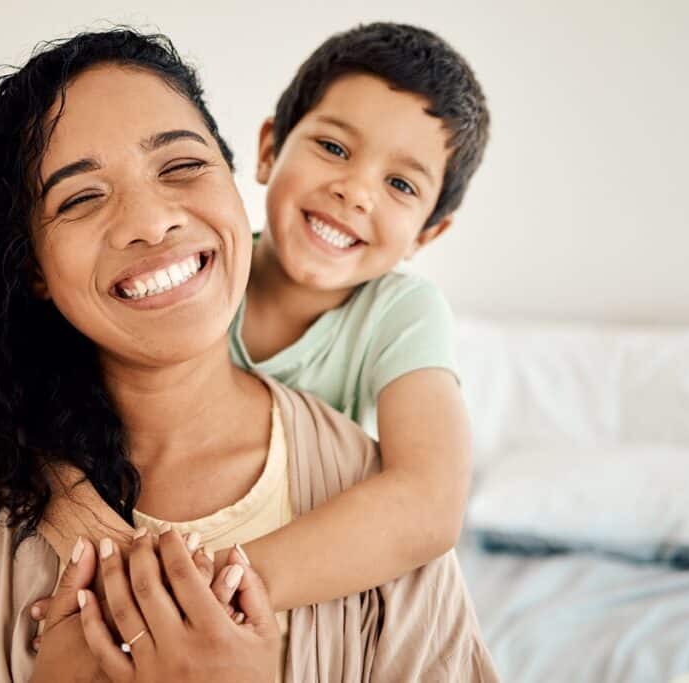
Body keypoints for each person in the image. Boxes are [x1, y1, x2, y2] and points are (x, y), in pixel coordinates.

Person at [0, 27, 497, 682]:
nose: (152, 222)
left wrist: (216, 591)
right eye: (80, 196)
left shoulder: (377, 488)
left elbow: (429, 498)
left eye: (182, 166)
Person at [33, 20, 491, 619]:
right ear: (270, 148)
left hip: (286, 572)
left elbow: (429, 501)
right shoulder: (193, 271)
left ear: (428, 232)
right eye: (334, 148)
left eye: (400, 183)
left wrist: (206, 591)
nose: (354, 191)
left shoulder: (402, 313)